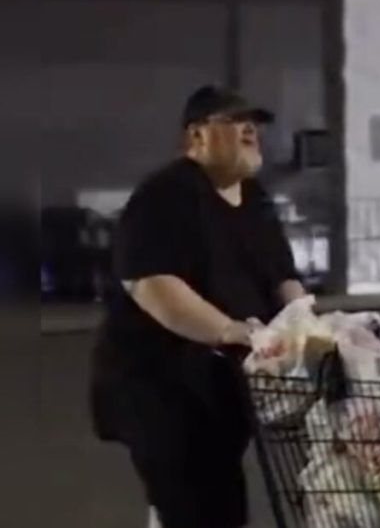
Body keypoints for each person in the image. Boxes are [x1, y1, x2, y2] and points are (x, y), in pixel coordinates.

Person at [89, 85, 307, 528]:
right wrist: (230, 330)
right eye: (234, 120)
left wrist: (309, 328)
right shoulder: (166, 195)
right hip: (160, 383)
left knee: (215, 503)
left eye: (254, 123)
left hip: (218, 388)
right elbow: (152, 284)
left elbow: (282, 276)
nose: (250, 130)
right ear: (197, 136)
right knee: (193, 503)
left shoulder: (255, 199)